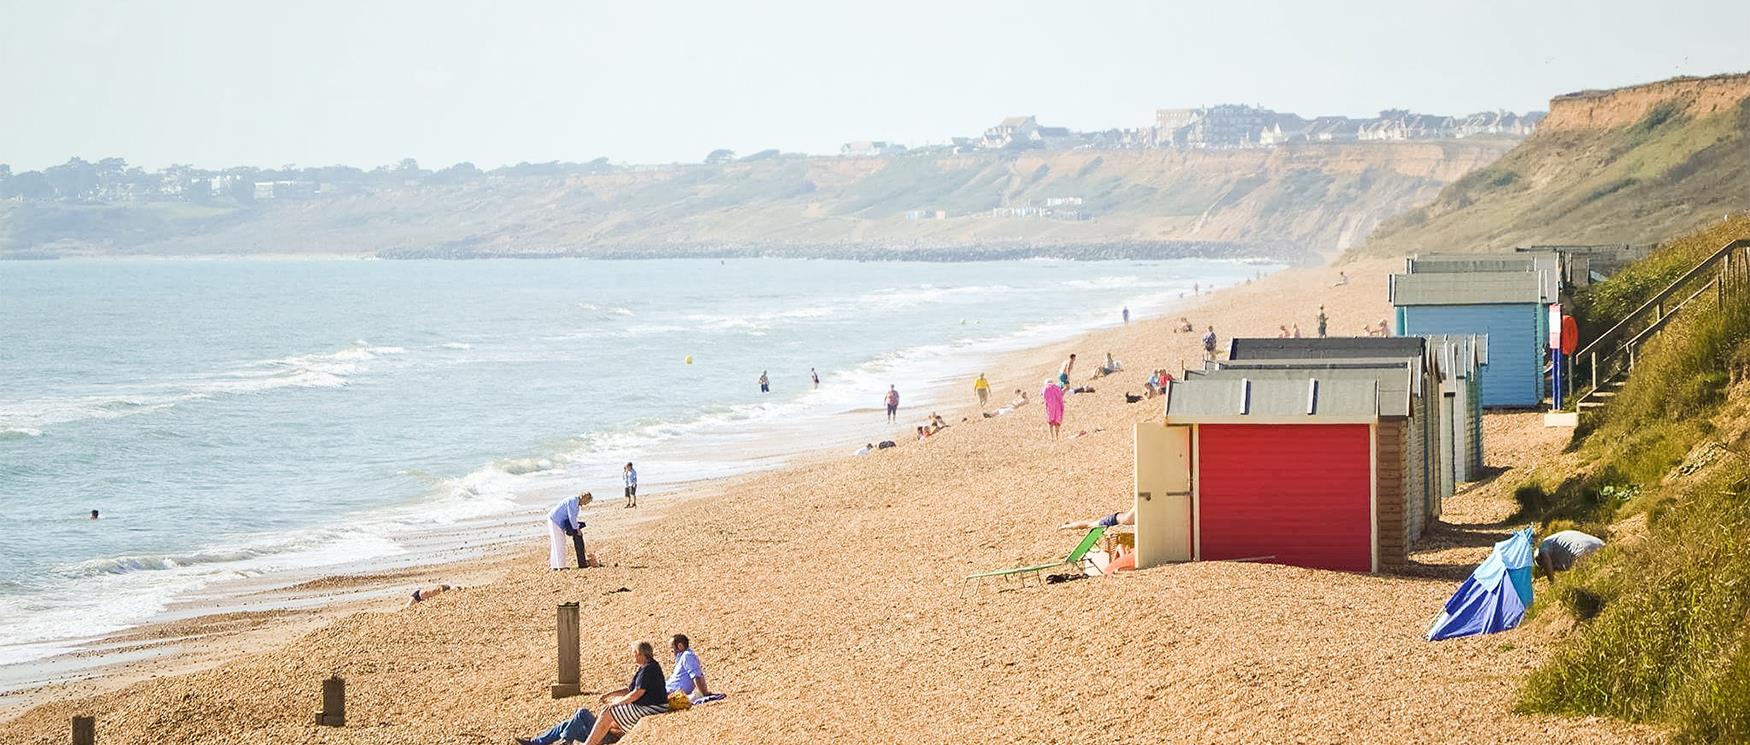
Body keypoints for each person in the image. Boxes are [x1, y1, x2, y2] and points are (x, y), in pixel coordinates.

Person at [543, 641, 670, 745]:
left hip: (607, 737)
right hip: (603, 733)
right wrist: (609, 695)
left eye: (634, 653)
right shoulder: (645, 668)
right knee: (568, 724)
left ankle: (566, 740)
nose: (633, 656)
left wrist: (616, 703)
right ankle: (539, 741)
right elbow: (630, 689)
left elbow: (637, 693)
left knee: (583, 713)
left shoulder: (649, 668)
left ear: (639, 654)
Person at [1538, 530, 1605, 582]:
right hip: (1602, 545)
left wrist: (1552, 582)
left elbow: (1545, 556)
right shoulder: (1558, 537)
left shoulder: (1544, 544)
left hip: (1582, 551)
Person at [548, 491, 591, 570]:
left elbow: (572, 517)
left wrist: (576, 527)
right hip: (555, 521)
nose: (585, 504)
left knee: (557, 543)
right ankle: (560, 566)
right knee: (559, 543)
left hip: (556, 521)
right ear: (584, 498)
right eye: (586, 502)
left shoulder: (575, 502)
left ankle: (555, 565)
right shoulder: (573, 501)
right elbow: (572, 517)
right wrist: (577, 529)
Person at [665, 634, 713, 701]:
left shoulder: (687, 656)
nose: (672, 653)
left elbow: (696, 676)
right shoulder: (682, 657)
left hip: (670, 692)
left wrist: (705, 693)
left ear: (680, 646)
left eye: (673, 650)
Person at [1059, 508, 1135, 531]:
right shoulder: (1137, 508)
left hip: (1116, 518)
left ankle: (1069, 524)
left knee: (1090, 523)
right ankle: (1065, 526)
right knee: (1089, 525)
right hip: (1112, 520)